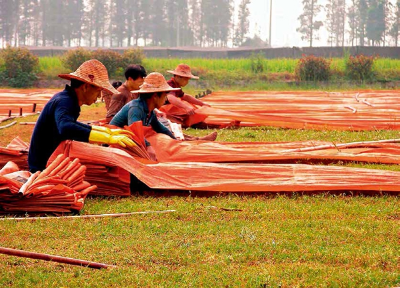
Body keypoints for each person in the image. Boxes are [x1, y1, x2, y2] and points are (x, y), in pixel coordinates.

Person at [28, 59, 136, 173]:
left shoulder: (68, 100)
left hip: (50, 161)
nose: (99, 96)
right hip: (41, 168)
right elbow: (66, 127)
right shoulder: (65, 101)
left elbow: (73, 125)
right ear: (85, 87)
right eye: (98, 90)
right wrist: (108, 138)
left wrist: (107, 132)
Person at [110, 72, 180, 161]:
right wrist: (148, 146)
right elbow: (134, 132)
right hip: (115, 143)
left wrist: (175, 142)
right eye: (164, 96)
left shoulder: (150, 110)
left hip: (128, 141)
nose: (165, 99)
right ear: (155, 96)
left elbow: (161, 129)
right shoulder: (136, 108)